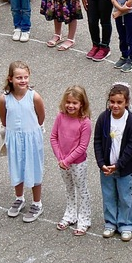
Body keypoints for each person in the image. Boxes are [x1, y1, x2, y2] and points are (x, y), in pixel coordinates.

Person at [0, 60, 46, 223]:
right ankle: (19, 198)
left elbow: (41, 117)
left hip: (31, 138)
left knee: (34, 169)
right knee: (16, 168)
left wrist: (31, 130)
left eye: (25, 77)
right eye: (19, 77)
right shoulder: (4, 99)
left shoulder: (35, 97)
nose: (23, 80)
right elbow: (4, 119)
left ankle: (37, 203)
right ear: (10, 78)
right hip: (14, 139)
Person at [94, 84, 132, 242]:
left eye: (119, 102)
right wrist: (101, 163)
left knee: (125, 197)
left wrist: (119, 164)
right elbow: (98, 141)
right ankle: (110, 222)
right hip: (106, 168)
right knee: (108, 195)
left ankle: (126, 224)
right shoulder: (103, 118)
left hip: (124, 168)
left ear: (126, 103)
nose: (115, 105)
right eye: (112, 101)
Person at [51, 85, 93, 235]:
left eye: (75, 103)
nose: (71, 106)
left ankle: (84, 219)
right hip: (63, 162)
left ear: (82, 104)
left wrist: (68, 160)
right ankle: (70, 214)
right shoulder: (60, 117)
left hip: (78, 163)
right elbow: (53, 137)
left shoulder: (85, 122)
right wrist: (60, 157)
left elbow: (82, 146)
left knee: (81, 189)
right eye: (68, 102)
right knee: (69, 188)